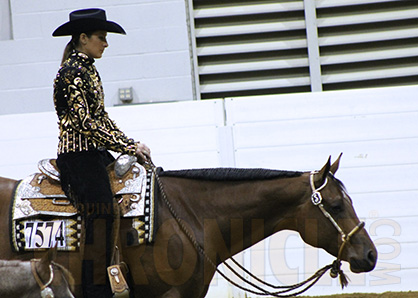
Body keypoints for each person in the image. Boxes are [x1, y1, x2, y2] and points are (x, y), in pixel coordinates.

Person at [52, 8, 150, 297]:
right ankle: (95, 288)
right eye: (101, 38)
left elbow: (102, 118)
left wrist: (131, 144)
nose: (105, 44)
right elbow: (85, 124)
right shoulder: (71, 73)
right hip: (77, 156)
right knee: (103, 211)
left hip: (94, 153)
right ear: (83, 38)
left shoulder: (88, 70)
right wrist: (127, 146)